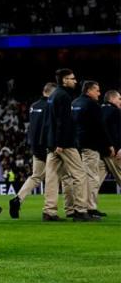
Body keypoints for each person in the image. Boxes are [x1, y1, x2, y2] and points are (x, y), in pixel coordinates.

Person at [45, 69, 91, 221]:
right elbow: (62, 122)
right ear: (64, 80)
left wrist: (52, 143)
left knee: (51, 177)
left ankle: (49, 211)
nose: (75, 81)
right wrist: (60, 143)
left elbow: (50, 122)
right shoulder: (64, 96)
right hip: (64, 144)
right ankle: (80, 210)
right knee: (80, 174)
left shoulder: (53, 95)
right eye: (72, 78)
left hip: (53, 143)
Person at [10, 83, 55, 219]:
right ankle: (55, 209)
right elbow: (48, 128)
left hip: (35, 147)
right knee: (59, 177)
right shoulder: (50, 106)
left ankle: (18, 198)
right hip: (48, 147)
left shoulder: (34, 106)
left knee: (36, 176)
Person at [71, 81, 107, 218]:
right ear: (89, 90)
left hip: (75, 145)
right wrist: (107, 145)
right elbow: (100, 127)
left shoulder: (74, 103)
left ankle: (76, 206)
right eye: (97, 90)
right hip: (91, 145)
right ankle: (89, 207)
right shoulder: (92, 105)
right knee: (92, 177)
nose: (99, 93)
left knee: (79, 177)